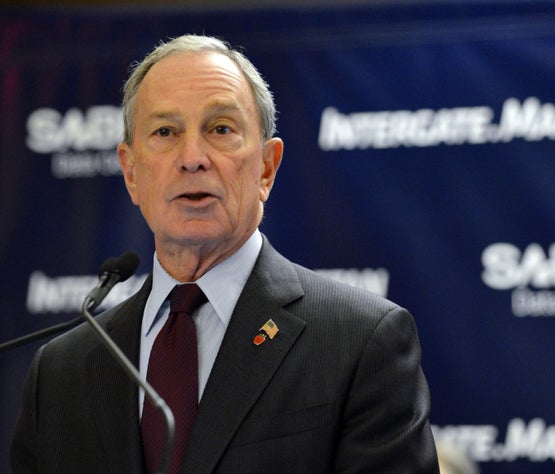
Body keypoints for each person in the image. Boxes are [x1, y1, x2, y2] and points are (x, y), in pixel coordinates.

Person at [11, 34, 439, 473]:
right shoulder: (62, 372)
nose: (193, 157)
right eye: (164, 132)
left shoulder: (360, 341)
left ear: (266, 169)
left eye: (220, 129)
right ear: (131, 172)